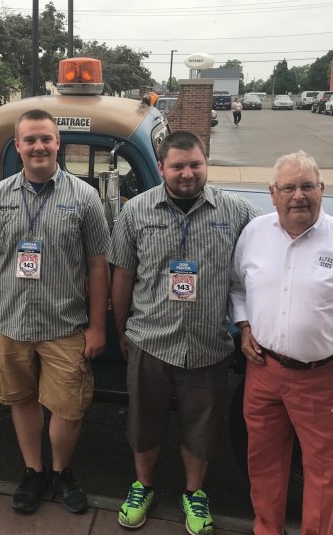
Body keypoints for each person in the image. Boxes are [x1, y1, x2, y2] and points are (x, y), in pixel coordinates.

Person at [229, 150, 333, 535]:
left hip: (323, 379)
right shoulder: (254, 234)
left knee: (322, 476)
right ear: (273, 194)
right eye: (288, 187)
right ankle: (267, 529)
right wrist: (245, 325)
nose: (297, 195)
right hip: (263, 372)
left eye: (306, 186)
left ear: (322, 190)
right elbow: (237, 287)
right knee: (263, 465)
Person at [109, 130, 260, 534]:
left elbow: (275, 244)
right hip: (150, 340)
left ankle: (195, 494)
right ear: (161, 168)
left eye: (195, 164)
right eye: (178, 166)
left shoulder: (237, 212)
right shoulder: (136, 211)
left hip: (208, 345)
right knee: (144, 422)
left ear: (205, 163)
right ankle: (143, 485)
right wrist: (123, 331)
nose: (187, 173)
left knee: (203, 427)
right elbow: (122, 277)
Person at [0, 108, 110, 514]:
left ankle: (61, 470)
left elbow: (98, 264)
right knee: (22, 399)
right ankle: (34, 471)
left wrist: (98, 327)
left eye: (45, 139)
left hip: (64, 324)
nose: (38, 146)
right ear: (18, 146)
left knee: (69, 406)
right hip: (10, 322)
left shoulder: (84, 197)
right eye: (29, 139)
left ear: (58, 144)